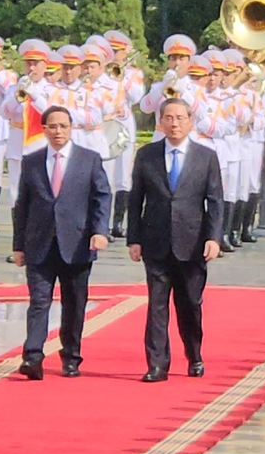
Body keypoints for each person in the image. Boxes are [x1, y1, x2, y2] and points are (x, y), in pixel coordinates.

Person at [126, 97, 224, 382]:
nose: (174, 123)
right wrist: (134, 238)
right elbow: (135, 200)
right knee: (156, 305)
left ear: (190, 121)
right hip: (155, 241)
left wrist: (214, 238)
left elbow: (215, 201)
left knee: (190, 304)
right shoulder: (147, 155)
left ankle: (194, 355)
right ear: (160, 122)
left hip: (192, 244)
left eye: (180, 118)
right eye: (168, 118)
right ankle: (157, 364)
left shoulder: (206, 157)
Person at [12, 106, 111, 380]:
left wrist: (100, 231)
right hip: (39, 243)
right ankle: (32, 356)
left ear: (71, 128)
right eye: (52, 126)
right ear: (43, 129)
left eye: (63, 126)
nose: (58, 131)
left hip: (77, 243)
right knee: (39, 301)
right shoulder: (31, 161)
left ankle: (71, 356)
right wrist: (18, 245)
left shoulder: (88, 160)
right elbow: (22, 205)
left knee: (74, 303)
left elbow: (102, 197)